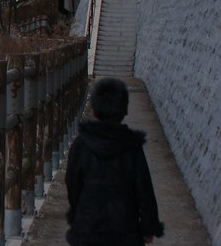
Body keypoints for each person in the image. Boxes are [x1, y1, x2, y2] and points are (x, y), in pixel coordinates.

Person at [66, 77, 165, 246]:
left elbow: (72, 183)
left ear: (94, 108)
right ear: (124, 109)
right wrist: (149, 227)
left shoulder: (81, 144)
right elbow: (144, 189)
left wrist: (77, 214)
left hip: (87, 229)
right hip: (125, 230)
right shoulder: (132, 146)